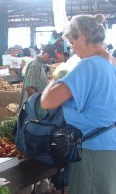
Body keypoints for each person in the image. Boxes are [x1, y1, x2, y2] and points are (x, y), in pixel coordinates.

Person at [41, 14, 116, 194]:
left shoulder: (87, 66)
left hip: (92, 150)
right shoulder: (110, 64)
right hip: (108, 145)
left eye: (72, 43)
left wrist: (54, 79)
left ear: (81, 37)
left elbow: (47, 101)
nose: (73, 49)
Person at [19, 44, 58, 108]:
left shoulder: (42, 64)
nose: (51, 60)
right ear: (43, 53)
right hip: (32, 105)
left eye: (52, 58)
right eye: (49, 56)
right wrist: (39, 101)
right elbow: (28, 87)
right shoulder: (35, 65)